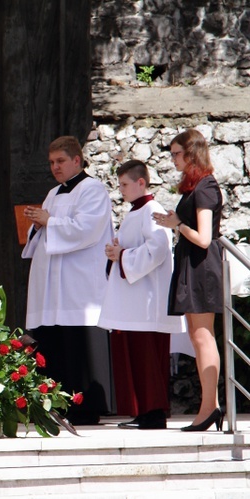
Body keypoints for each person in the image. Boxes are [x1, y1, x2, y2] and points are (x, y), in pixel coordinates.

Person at [22, 136, 115, 425]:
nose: (55, 167)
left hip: (79, 284)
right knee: (54, 341)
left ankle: (86, 407)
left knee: (79, 345)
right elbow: (41, 233)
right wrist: (37, 225)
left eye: (60, 161)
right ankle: (55, 404)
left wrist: (49, 221)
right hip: (53, 287)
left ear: (77, 160)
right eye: (51, 162)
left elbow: (86, 229)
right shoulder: (53, 193)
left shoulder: (93, 190)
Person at [97, 160, 185, 430]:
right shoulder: (136, 211)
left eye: (124, 184)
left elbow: (158, 250)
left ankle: (153, 413)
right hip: (133, 301)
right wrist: (116, 253)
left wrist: (122, 255)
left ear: (141, 183)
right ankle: (143, 412)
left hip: (147, 302)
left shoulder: (152, 211)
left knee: (146, 357)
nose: (121, 189)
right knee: (135, 356)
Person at [155, 128, 224, 432]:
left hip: (201, 266)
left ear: (191, 152)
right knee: (199, 336)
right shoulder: (196, 187)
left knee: (203, 336)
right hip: (193, 265)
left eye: (176, 153)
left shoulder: (205, 187)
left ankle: (210, 407)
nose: (172, 159)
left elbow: (205, 238)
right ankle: (210, 406)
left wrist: (177, 224)